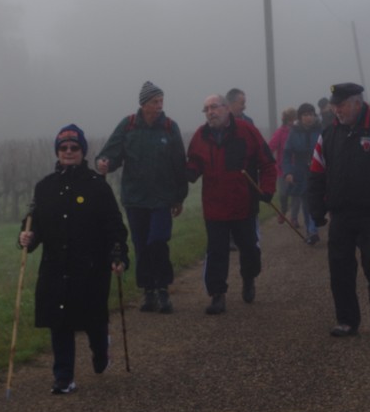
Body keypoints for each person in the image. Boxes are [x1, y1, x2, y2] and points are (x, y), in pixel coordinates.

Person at [20, 125, 129, 395]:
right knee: (60, 321)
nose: (68, 152)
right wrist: (27, 237)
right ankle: (63, 376)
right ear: (57, 152)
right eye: (63, 148)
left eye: (74, 147)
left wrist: (118, 254)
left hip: (90, 268)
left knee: (93, 319)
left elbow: (114, 226)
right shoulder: (44, 187)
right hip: (55, 267)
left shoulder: (97, 187)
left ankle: (101, 350)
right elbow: (35, 224)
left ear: (83, 151)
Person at [307, 82, 370, 337]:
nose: (336, 110)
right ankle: (347, 320)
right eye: (334, 106)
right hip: (340, 213)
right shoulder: (329, 134)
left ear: (357, 103)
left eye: (341, 105)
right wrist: (316, 208)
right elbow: (317, 172)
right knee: (339, 268)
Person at [96, 81, 188, 315]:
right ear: (144, 104)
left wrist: (179, 197)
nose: (159, 106)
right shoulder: (128, 126)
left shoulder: (170, 127)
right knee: (141, 245)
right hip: (135, 198)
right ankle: (148, 291)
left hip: (162, 198)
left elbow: (179, 163)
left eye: (161, 101)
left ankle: (163, 289)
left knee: (157, 241)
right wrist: (104, 163)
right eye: (155, 102)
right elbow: (111, 153)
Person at [186, 94, 276, 315]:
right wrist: (184, 172)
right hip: (214, 207)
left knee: (249, 248)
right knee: (216, 251)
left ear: (227, 108)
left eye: (214, 107)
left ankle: (249, 277)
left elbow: (267, 163)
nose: (210, 112)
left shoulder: (247, 131)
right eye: (206, 109)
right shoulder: (200, 136)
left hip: (243, 205)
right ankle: (217, 295)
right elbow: (194, 165)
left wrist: (267, 189)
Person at [282, 102, 322, 245]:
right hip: (301, 172)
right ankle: (311, 230)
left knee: (317, 200)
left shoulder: (321, 131)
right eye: (305, 115)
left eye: (310, 114)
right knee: (306, 202)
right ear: (300, 117)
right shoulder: (294, 132)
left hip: (318, 170)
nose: (308, 118)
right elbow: (287, 154)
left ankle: (314, 226)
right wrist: (288, 172)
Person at [268, 107, 297, 220]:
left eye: (293, 119)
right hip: (282, 168)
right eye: (289, 119)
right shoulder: (280, 132)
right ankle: (283, 210)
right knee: (283, 193)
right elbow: (271, 147)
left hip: (297, 168)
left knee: (296, 194)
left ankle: (294, 218)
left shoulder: (298, 131)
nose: (291, 122)